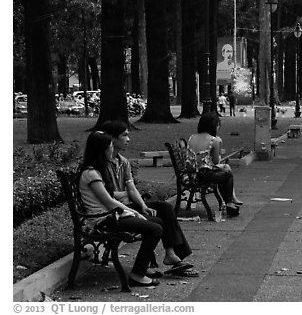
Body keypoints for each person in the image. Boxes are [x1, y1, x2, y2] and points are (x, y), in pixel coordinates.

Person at [100, 120, 194, 280]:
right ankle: (145, 267)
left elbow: (131, 188)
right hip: (116, 211)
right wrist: (126, 196)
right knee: (157, 221)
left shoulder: (123, 162)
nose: (128, 139)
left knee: (165, 207)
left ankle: (171, 253)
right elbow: (109, 196)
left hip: (126, 206)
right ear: (112, 139)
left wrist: (142, 206)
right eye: (124, 135)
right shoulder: (101, 165)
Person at [79, 131, 164, 287]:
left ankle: (144, 268)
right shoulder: (90, 174)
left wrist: (135, 212)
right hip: (103, 220)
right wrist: (134, 213)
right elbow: (109, 203)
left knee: (157, 222)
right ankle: (137, 274)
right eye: (111, 146)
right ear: (102, 150)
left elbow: (111, 200)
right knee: (155, 229)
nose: (113, 149)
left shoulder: (96, 170)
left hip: (111, 216)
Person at [187, 113, 242, 217]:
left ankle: (229, 202)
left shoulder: (192, 138)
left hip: (192, 174)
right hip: (205, 176)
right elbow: (216, 161)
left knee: (224, 173)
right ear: (214, 126)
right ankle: (229, 202)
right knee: (227, 174)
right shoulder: (214, 140)